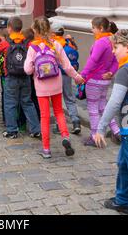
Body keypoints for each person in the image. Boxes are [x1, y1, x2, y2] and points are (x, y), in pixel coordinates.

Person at [24, 17, 84, 159]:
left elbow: (27, 69)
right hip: (56, 84)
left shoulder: (33, 47)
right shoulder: (56, 44)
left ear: (35, 31)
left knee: (45, 116)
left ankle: (46, 149)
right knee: (59, 112)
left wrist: (34, 67)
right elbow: (67, 66)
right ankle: (65, 136)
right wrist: (77, 77)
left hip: (41, 86)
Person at [94, 30, 128, 215]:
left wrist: (100, 128)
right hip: (126, 130)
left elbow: (115, 101)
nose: (114, 52)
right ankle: (123, 200)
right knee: (123, 163)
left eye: (116, 47)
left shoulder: (125, 70)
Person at [0, 17, 41, 140]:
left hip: (11, 77)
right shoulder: (27, 42)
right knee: (27, 102)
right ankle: (35, 129)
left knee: (10, 103)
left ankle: (12, 130)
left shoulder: (6, 42)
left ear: (9, 28)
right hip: (25, 76)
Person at [81, 17, 120, 147]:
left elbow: (93, 60)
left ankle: (94, 137)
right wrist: (111, 72)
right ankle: (117, 131)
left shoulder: (101, 42)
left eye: (93, 27)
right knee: (103, 107)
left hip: (94, 80)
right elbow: (116, 61)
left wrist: (83, 75)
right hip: (105, 80)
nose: (92, 30)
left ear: (101, 28)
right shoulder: (112, 40)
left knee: (93, 109)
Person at [52, 25, 81, 135]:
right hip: (67, 76)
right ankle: (76, 121)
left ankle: (59, 125)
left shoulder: (53, 44)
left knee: (56, 100)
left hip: (55, 75)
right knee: (69, 98)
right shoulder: (69, 45)